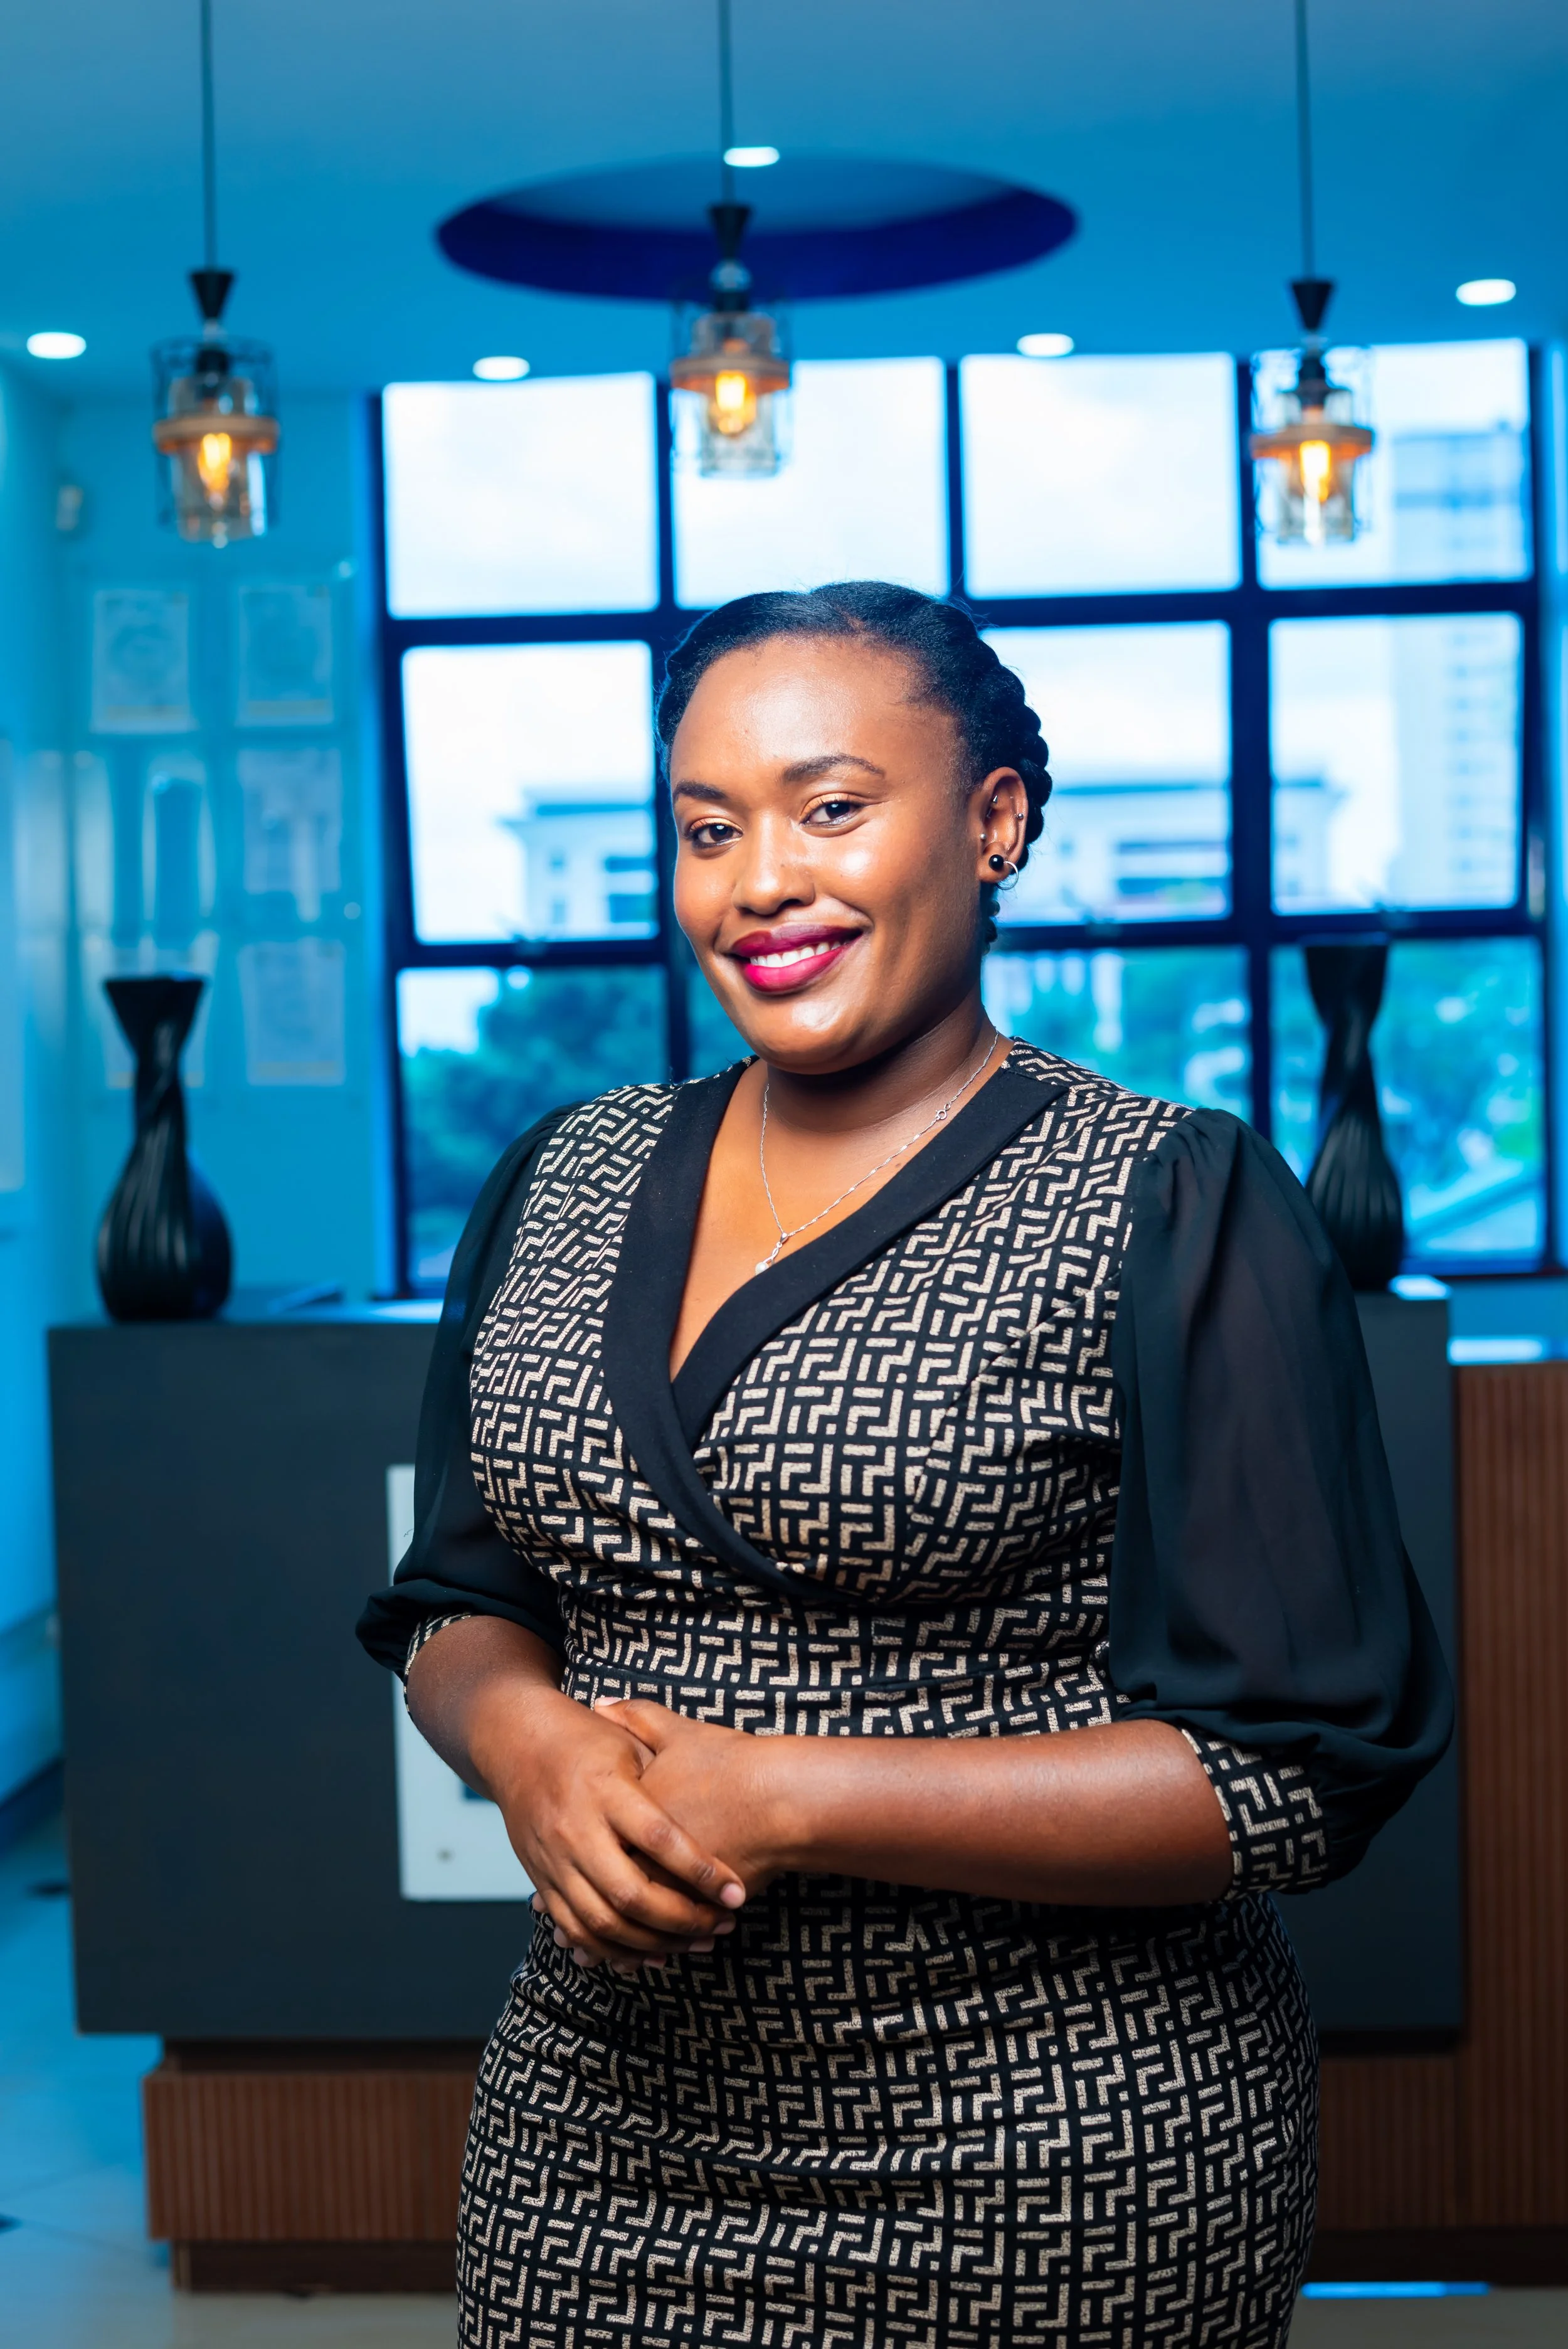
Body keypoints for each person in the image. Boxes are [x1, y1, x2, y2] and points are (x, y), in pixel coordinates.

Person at [359, 582, 1452, 2349]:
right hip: (598, 2124)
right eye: (707, 829)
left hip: (1048, 2150)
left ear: (996, 820)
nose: (760, 881)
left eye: (832, 807)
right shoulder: (562, 1176)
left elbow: (1294, 1777)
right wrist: (526, 1741)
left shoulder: (1166, 1198)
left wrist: (796, 1796)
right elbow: (455, 1598)